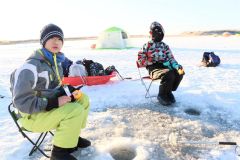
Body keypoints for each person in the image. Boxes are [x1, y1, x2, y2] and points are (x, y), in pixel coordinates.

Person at [10, 24, 91, 160]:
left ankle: (72, 136)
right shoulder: (30, 67)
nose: (56, 42)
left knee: (83, 99)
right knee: (74, 110)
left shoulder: (55, 63)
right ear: (43, 42)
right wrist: (53, 102)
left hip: (45, 109)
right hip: (31, 116)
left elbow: (53, 88)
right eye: (51, 38)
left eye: (59, 39)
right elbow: (21, 102)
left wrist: (68, 91)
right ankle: (59, 154)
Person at [137, 21, 185, 106]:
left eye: (160, 33)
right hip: (153, 68)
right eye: (156, 32)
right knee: (168, 73)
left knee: (179, 72)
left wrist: (177, 66)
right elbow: (140, 61)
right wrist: (151, 60)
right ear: (151, 33)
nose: (158, 35)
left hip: (165, 66)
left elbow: (171, 58)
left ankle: (168, 91)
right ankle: (162, 95)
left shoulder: (165, 46)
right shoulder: (147, 46)